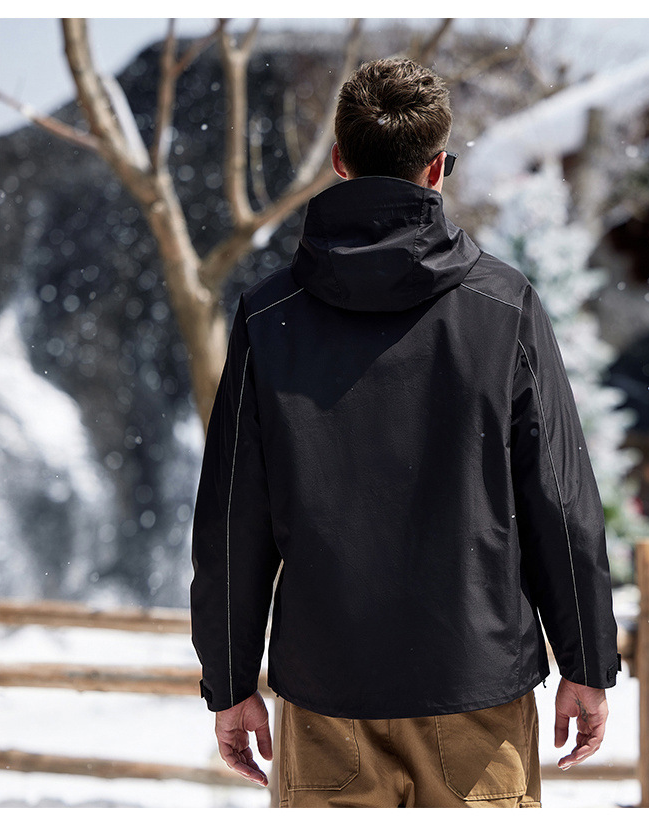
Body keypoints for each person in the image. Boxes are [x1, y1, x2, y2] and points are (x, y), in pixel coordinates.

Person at [190, 57, 620, 808]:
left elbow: (233, 517)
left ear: (338, 161)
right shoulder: (504, 306)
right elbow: (558, 498)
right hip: (478, 689)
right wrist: (586, 662)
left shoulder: (269, 316)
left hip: (326, 693)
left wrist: (229, 683)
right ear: (437, 168)